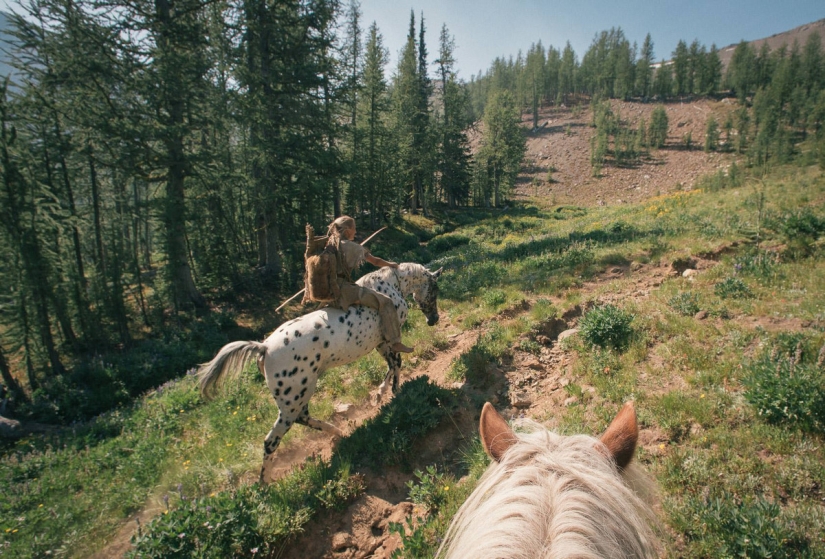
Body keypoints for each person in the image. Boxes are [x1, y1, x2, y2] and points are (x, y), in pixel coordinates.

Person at [326, 216, 413, 354]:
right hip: (344, 290)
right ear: (347, 230)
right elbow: (376, 261)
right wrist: (391, 264)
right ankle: (395, 342)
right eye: (354, 228)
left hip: (329, 289)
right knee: (386, 302)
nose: (356, 231)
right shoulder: (351, 247)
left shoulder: (329, 245)